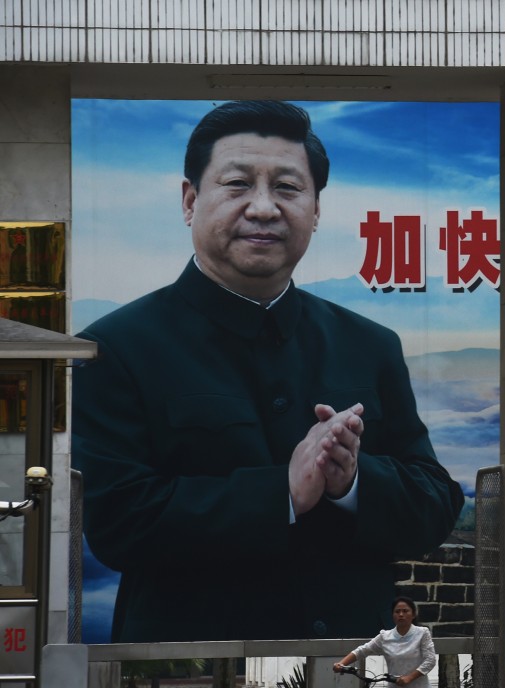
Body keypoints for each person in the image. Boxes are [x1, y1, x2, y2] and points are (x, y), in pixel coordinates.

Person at [71, 100, 465, 642]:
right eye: (236, 185)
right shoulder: (114, 347)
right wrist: (282, 490)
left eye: (287, 187)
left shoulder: (370, 344)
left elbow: (434, 505)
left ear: (316, 209)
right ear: (190, 201)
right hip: (193, 669)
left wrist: (351, 481)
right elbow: (119, 523)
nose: (263, 208)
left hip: (349, 662)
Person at [333, 596, 437, 687]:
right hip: (394, 685)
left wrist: (409, 678)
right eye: (397, 611)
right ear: (392, 615)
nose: (401, 614)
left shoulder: (422, 633)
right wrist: (341, 664)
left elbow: (430, 660)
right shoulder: (385, 636)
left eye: (405, 611)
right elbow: (363, 650)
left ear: (413, 614)